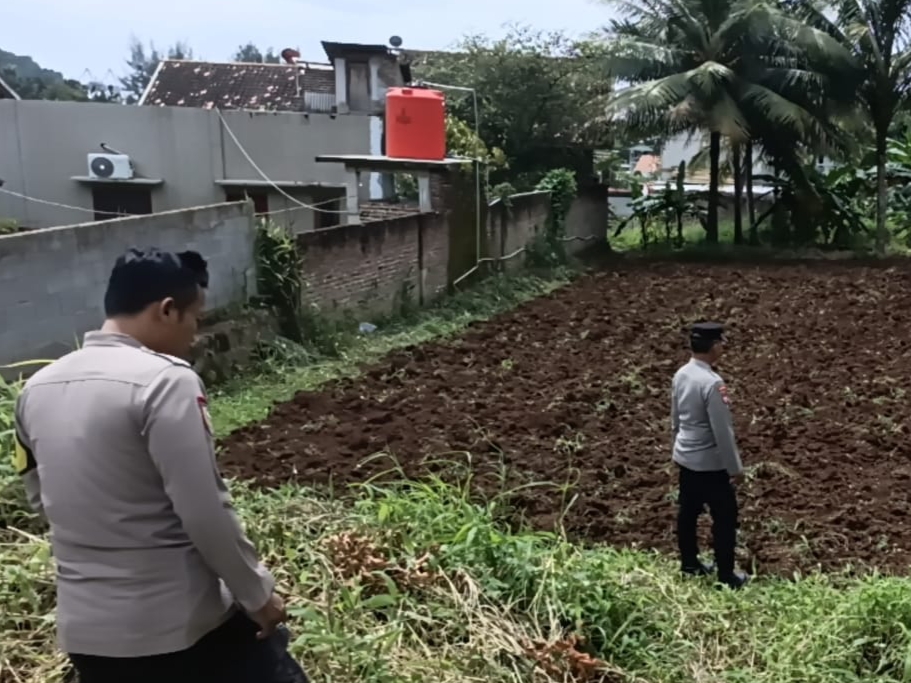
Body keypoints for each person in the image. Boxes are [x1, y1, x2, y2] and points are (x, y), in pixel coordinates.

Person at [13, 247, 308, 683]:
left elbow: (42, 500)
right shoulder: (166, 381)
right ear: (167, 310)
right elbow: (204, 510)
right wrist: (258, 596)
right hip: (180, 630)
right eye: (195, 319)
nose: (195, 335)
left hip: (88, 638)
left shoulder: (33, 391)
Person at [670, 321, 748, 590]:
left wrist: (677, 447)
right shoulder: (713, 383)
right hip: (710, 465)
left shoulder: (681, 374)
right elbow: (722, 432)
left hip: (685, 458)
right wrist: (735, 468)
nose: (723, 347)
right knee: (725, 518)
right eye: (721, 343)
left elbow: (675, 418)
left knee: (688, 513)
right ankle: (727, 575)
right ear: (714, 347)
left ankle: (689, 564)